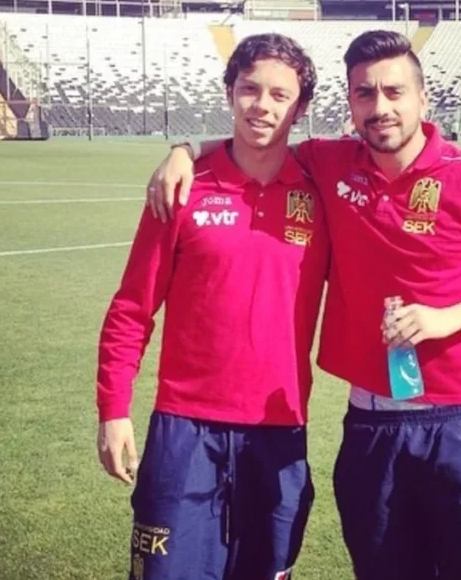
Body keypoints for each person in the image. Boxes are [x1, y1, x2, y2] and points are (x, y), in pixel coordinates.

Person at [146, 30, 461, 579]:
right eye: (364, 94)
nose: (380, 107)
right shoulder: (330, 165)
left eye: (394, 91)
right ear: (351, 103)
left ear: (422, 98)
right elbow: (259, 141)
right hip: (371, 421)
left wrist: (450, 319)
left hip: (459, 419)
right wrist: (185, 149)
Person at [96, 33, 330, 580]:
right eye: (250, 89)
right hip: (184, 430)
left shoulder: (321, 192)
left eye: (279, 94)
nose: (262, 105)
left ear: (300, 107)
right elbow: (132, 307)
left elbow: (387, 265)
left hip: (278, 430)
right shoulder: (181, 188)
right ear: (230, 93)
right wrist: (113, 409)